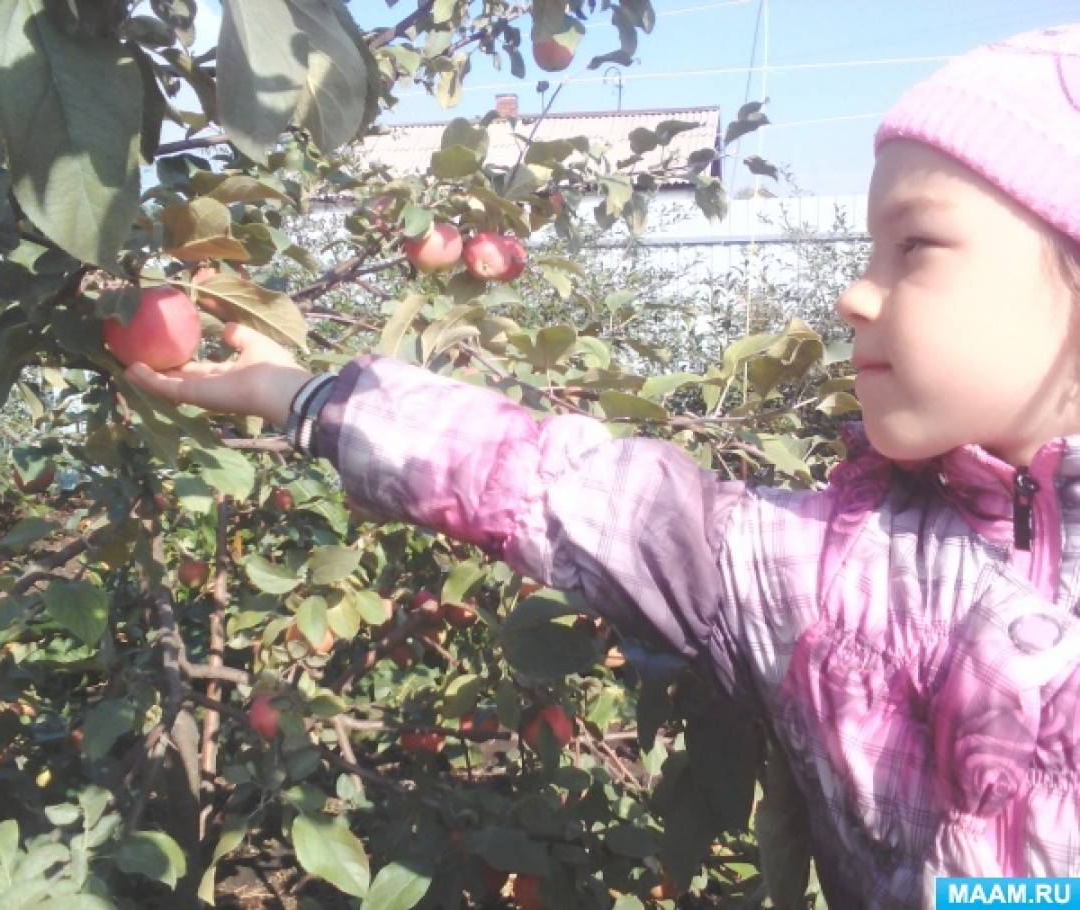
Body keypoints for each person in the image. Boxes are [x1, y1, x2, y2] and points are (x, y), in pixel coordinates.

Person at [127, 25, 1080, 906]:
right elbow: (554, 484)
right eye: (868, 249)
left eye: (914, 246)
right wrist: (302, 397)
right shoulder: (828, 567)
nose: (853, 295)